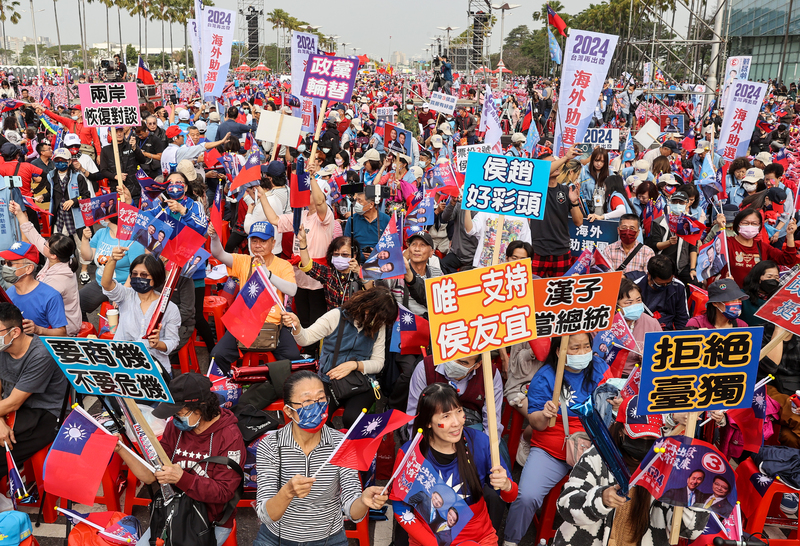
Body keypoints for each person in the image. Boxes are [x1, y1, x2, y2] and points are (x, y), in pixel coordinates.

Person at [254, 370, 388, 546]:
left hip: (329, 539)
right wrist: (287, 492)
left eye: (321, 399)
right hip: (276, 539)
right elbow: (265, 514)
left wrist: (363, 500)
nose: (316, 406)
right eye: (307, 401)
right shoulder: (270, 445)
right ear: (289, 410)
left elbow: (353, 511)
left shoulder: (341, 443)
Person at [554, 396, 710, 546]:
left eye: (651, 439)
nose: (644, 444)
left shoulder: (668, 469)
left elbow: (689, 531)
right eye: (638, 437)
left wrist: (692, 494)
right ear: (621, 430)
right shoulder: (596, 458)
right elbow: (566, 506)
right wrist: (601, 499)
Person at [115, 373, 245, 546]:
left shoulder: (230, 437)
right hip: (173, 512)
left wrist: (182, 479)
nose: (174, 418)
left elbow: (223, 493)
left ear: (201, 407)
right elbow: (149, 475)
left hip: (210, 521)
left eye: (179, 413)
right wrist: (121, 449)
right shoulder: (174, 428)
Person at [504, 334, 608, 546]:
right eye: (575, 348)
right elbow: (536, 424)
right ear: (559, 351)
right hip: (553, 449)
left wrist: (615, 404)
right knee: (526, 497)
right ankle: (510, 541)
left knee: (613, 494)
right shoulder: (545, 377)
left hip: (595, 447)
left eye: (586, 347)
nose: (582, 353)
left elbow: (613, 400)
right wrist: (545, 414)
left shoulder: (599, 367)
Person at [392, 383, 518, 546]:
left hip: (478, 537)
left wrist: (507, 485)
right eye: (446, 416)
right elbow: (400, 509)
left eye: (459, 411)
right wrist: (433, 543)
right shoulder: (410, 454)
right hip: (428, 538)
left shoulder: (480, 442)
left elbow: (511, 496)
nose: (457, 422)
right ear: (428, 422)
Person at [280, 287, 397, 428]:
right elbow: (305, 339)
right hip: (329, 380)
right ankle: (332, 445)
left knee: (353, 419)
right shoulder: (336, 316)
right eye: (375, 317)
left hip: (361, 383)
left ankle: (351, 448)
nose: (377, 323)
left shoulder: (379, 326)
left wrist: (354, 365)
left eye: (382, 321)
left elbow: (378, 363)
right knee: (318, 420)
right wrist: (297, 327)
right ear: (366, 305)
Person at [209, 221, 300, 371]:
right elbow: (219, 254)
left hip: (274, 325)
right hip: (245, 323)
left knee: (294, 358)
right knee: (218, 354)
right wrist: (213, 237)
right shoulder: (244, 261)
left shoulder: (283, 265)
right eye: (254, 241)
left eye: (263, 241)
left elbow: (292, 290)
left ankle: (275, 388)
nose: (258, 245)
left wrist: (267, 274)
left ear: (273, 243)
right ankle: (233, 386)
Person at [0, 302, 68, 475]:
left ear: (14, 332)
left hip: (46, 415)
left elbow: (13, 403)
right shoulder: (3, 349)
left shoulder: (41, 354)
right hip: (13, 410)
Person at [101, 248, 180, 377]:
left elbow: (173, 341)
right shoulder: (126, 296)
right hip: (122, 364)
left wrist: (158, 344)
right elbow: (106, 284)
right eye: (134, 274)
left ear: (156, 277)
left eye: (144, 275)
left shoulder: (169, 308)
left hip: (156, 369)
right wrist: (112, 260)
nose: (138, 278)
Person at [9, 201, 81, 337]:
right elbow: (33, 235)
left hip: (63, 328)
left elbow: (36, 297)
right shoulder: (58, 258)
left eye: (46, 245)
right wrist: (19, 212)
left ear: (54, 255)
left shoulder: (58, 282)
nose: (43, 244)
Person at [528, 151, 583, 278]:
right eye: (551, 163)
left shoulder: (566, 190)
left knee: (560, 292)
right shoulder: (534, 188)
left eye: (556, 162)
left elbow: (579, 222)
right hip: (537, 250)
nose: (557, 165)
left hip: (561, 249)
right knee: (533, 291)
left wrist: (574, 202)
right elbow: (542, 172)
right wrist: (565, 157)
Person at [0, 242, 67, 337]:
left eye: (10, 263)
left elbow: (62, 333)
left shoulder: (50, 296)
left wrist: (38, 330)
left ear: (29, 268)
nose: (5, 267)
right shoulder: (7, 294)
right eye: (4, 262)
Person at [725, 208, 798, 288]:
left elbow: (788, 259)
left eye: (754, 223)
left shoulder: (763, 247)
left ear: (759, 226)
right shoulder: (727, 243)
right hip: (731, 295)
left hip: (754, 296)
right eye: (745, 223)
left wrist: (790, 235)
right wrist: (720, 227)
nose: (750, 226)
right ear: (737, 225)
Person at [297, 233, 362, 311]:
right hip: (334, 319)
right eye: (336, 254)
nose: (340, 257)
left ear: (354, 255)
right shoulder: (328, 273)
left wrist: (360, 273)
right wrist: (303, 242)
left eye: (345, 254)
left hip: (355, 319)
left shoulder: (362, 272)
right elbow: (308, 266)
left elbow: (371, 289)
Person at [630, 255, 690, 330]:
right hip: (643, 329)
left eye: (668, 283)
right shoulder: (635, 288)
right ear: (649, 276)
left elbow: (682, 318)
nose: (665, 286)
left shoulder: (678, 287)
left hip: (668, 331)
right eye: (660, 284)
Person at [616, 277, 662, 375]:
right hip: (608, 377)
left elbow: (662, 356)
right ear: (616, 305)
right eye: (629, 303)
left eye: (638, 300)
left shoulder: (652, 323)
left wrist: (649, 358)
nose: (635, 305)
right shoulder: (605, 324)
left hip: (640, 377)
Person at [343, 192, 390, 259]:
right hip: (357, 262)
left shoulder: (386, 219)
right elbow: (346, 243)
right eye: (356, 200)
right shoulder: (352, 219)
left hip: (380, 262)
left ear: (371, 204)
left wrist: (377, 254)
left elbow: (391, 245)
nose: (356, 204)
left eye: (360, 201)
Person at [741, 260, 781, 327]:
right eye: (769, 277)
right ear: (758, 277)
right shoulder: (742, 296)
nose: (773, 280)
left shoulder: (779, 298)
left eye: (776, 277)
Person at [579, 148, 610, 214]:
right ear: (592, 159)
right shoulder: (583, 172)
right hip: (585, 211)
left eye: (602, 161)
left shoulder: (610, 174)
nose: (599, 164)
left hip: (602, 214)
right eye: (596, 160)